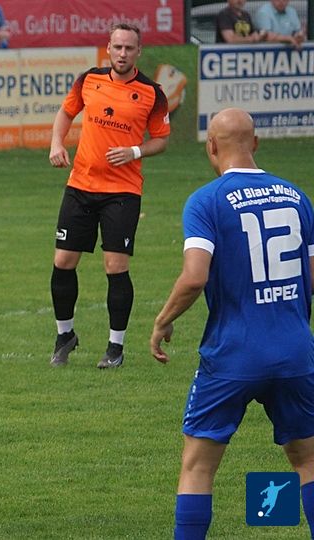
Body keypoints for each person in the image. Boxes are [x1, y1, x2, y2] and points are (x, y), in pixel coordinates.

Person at [150, 108, 314, 539]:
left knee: (198, 465)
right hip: (295, 351)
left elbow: (194, 277)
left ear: (211, 147)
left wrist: (163, 320)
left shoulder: (207, 201)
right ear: (255, 143)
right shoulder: (297, 197)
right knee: (308, 460)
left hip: (233, 354)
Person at [47, 23, 170, 369]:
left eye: (129, 48)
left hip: (122, 193)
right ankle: (65, 335)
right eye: (117, 47)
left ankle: (115, 347)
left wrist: (134, 151)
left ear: (139, 52)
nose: (122, 54)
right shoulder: (89, 79)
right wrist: (57, 143)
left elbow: (161, 139)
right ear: (109, 48)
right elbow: (66, 112)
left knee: (115, 267)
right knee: (63, 262)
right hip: (80, 186)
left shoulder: (152, 93)